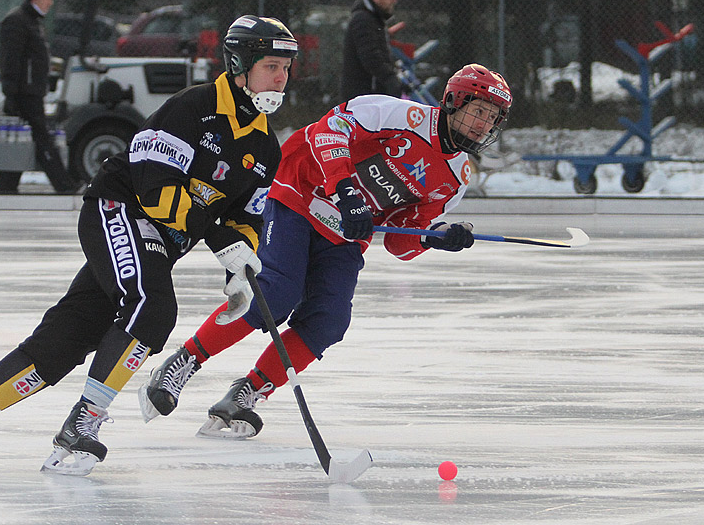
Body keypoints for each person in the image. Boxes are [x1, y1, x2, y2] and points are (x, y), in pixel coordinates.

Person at [0, 15, 299, 475]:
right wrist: (217, 238)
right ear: (240, 64)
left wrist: (239, 268)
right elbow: (156, 191)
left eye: (286, 69)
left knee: (69, 337)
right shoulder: (192, 108)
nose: (281, 78)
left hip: (159, 243)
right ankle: (82, 426)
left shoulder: (266, 147)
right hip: (119, 210)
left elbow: (245, 218)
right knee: (151, 308)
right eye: (272, 66)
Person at [139, 63, 512, 439]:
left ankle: (247, 392)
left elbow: (401, 240)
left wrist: (433, 238)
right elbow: (328, 132)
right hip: (300, 193)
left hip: (345, 233)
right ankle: (183, 362)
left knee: (328, 322)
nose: (483, 125)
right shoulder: (400, 114)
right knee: (275, 294)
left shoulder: (456, 178)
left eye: (492, 119)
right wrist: (346, 191)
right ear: (453, 100)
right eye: (478, 111)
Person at [0, 0, 80, 194]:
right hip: (24, 92)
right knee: (42, 139)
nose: (50, 3)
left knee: (26, 140)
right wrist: (10, 93)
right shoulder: (17, 22)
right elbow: (10, 60)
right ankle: (64, 185)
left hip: (33, 91)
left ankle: (6, 186)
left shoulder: (33, 22)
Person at [340, 0, 404, 102]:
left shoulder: (374, 19)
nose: (394, 1)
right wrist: (389, 78)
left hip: (370, 92)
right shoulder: (363, 20)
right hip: (363, 94)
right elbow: (370, 56)